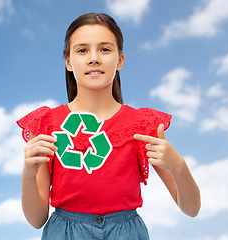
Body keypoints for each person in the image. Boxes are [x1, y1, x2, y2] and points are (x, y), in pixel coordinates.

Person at [17, 13, 200, 240]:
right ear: (68, 62)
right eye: (82, 50)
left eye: (105, 49)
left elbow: (191, 209)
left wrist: (179, 166)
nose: (94, 58)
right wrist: (28, 175)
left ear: (120, 60)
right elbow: (36, 220)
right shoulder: (46, 124)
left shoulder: (143, 125)